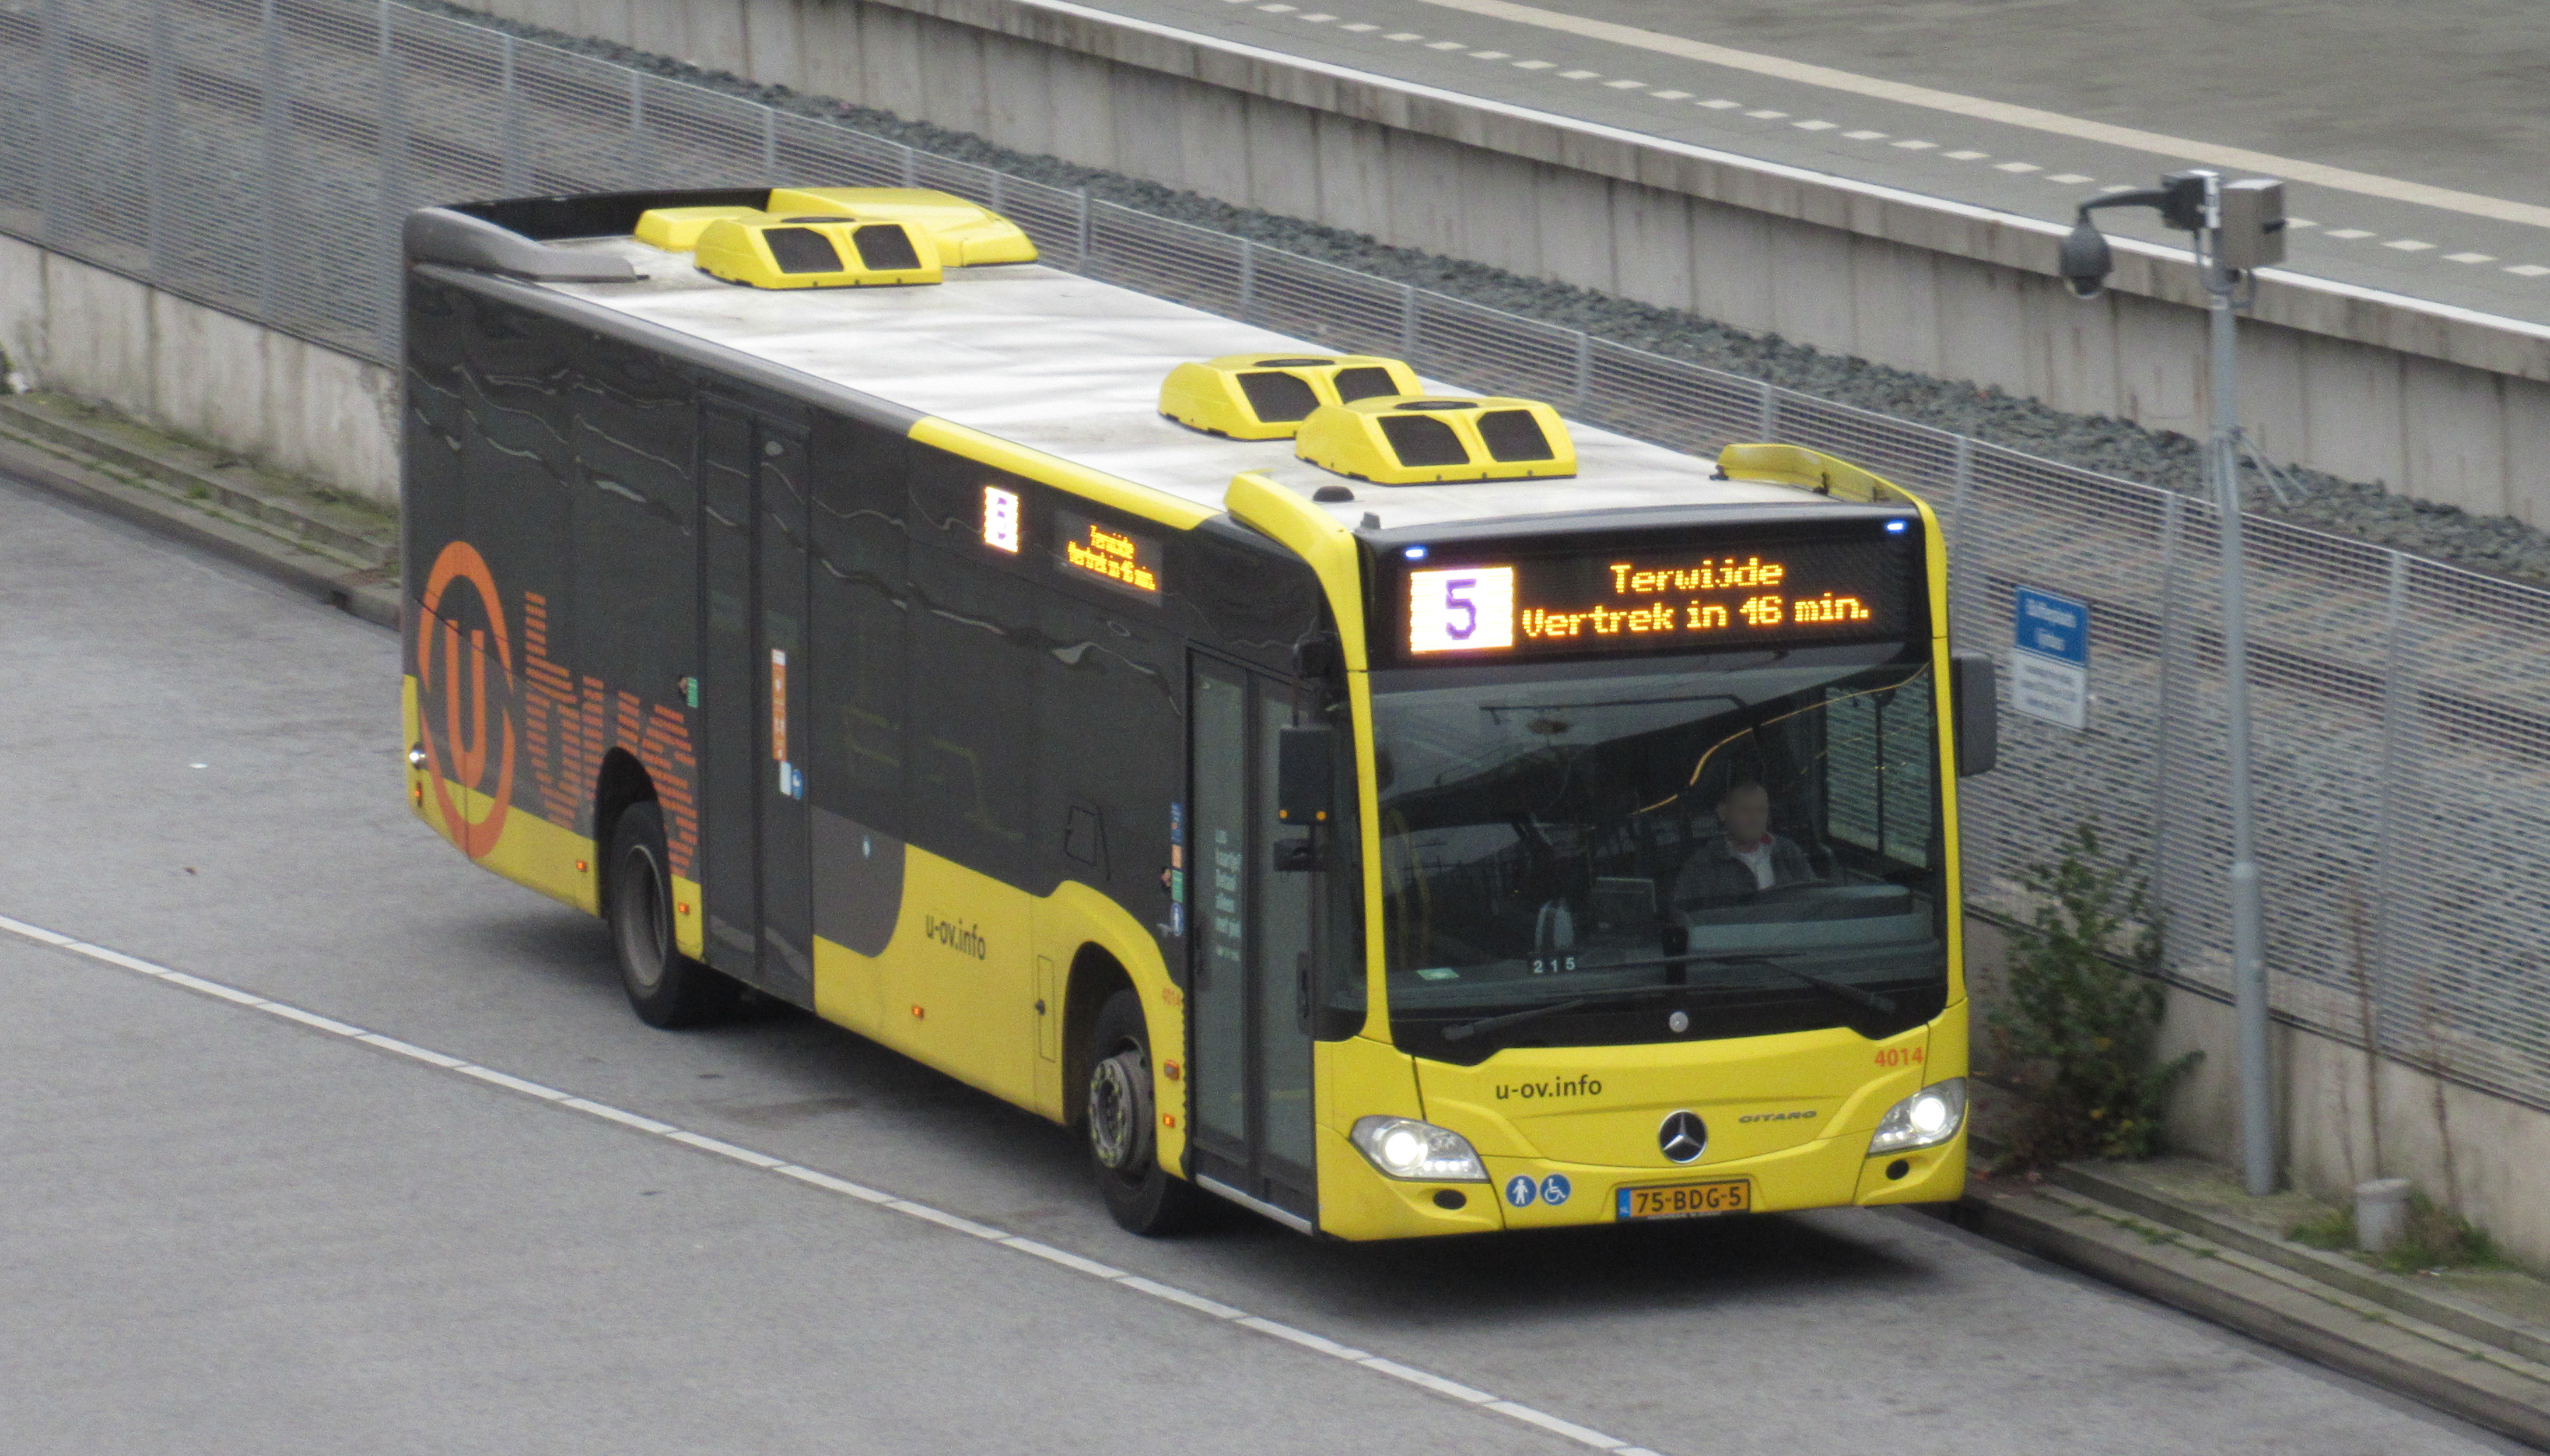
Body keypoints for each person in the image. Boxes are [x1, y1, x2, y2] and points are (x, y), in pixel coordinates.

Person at [1673, 780, 1814, 906]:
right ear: (1723, 813)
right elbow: (1686, 918)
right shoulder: (1703, 865)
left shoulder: (1787, 852)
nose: (1754, 819)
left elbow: (1815, 902)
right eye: (1745, 811)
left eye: (1761, 811)